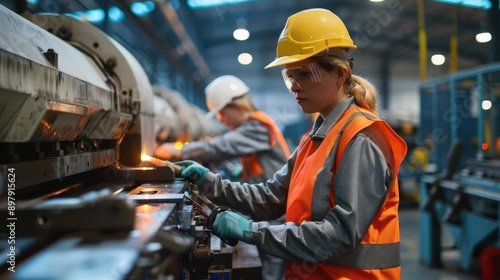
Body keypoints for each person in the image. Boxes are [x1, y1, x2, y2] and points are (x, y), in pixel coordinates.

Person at [175, 8, 408, 279]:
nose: (295, 86)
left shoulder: (362, 138)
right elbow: (272, 197)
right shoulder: (314, 139)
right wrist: (208, 182)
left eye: (305, 74)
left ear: (340, 74)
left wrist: (251, 231)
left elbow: (340, 235)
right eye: (290, 77)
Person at [155, 75, 290, 280]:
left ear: (235, 106)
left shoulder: (257, 126)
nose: (220, 119)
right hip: (268, 208)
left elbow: (220, 147)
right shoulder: (252, 126)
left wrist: (178, 151)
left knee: (273, 268)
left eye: (222, 113)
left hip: (275, 211)